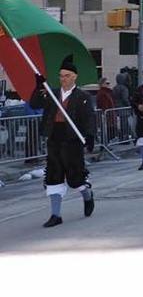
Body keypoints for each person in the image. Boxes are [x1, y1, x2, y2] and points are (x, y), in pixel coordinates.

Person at [30, 54, 96, 227]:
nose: (63, 79)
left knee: (76, 178)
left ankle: (87, 195)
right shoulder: (51, 93)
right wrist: (38, 87)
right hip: (54, 137)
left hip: (72, 139)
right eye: (61, 76)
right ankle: (55, 215)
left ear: (74, 77)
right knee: (53, 176)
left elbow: (89, 117)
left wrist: (90, 136)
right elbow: (35, 103)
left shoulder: (82, 96)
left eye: (67, 76)